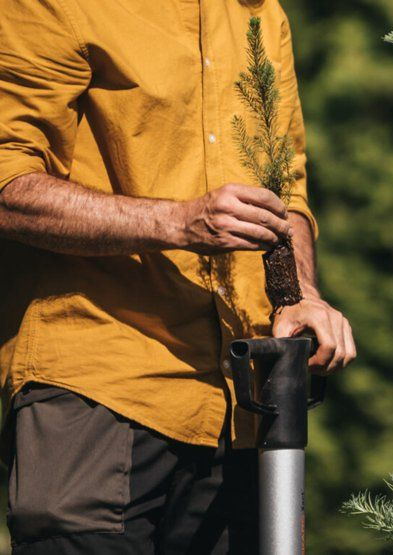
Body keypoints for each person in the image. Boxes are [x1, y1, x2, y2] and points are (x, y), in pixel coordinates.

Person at [0, 0, 356, 553]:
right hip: (98, 383)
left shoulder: (260, 13)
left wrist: (301, 293)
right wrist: (179, 222)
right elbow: (9, 185)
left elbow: (285, 189)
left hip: (242, 400)